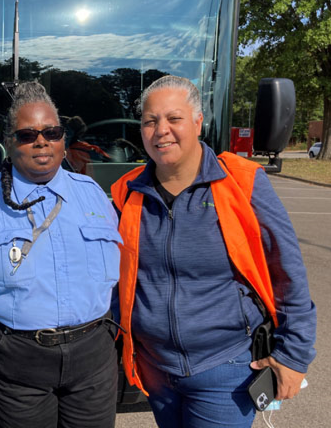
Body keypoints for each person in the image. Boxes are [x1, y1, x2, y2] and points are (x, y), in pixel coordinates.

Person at [111, 75, 316, 427]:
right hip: (155, 370)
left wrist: (294, 356)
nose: (161, 130)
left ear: (197, 121)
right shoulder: (126, 192)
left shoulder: (240, 182)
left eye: (174, 118)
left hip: (226, 372)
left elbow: (287, 272)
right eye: (150, 121)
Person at [0, 81, 122, 428]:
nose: (42, 141)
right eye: (27, 135)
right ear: (9, 142)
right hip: (15, 362)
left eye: (52, 132)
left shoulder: (94, 195)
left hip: (92, 359)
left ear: (63, 140)